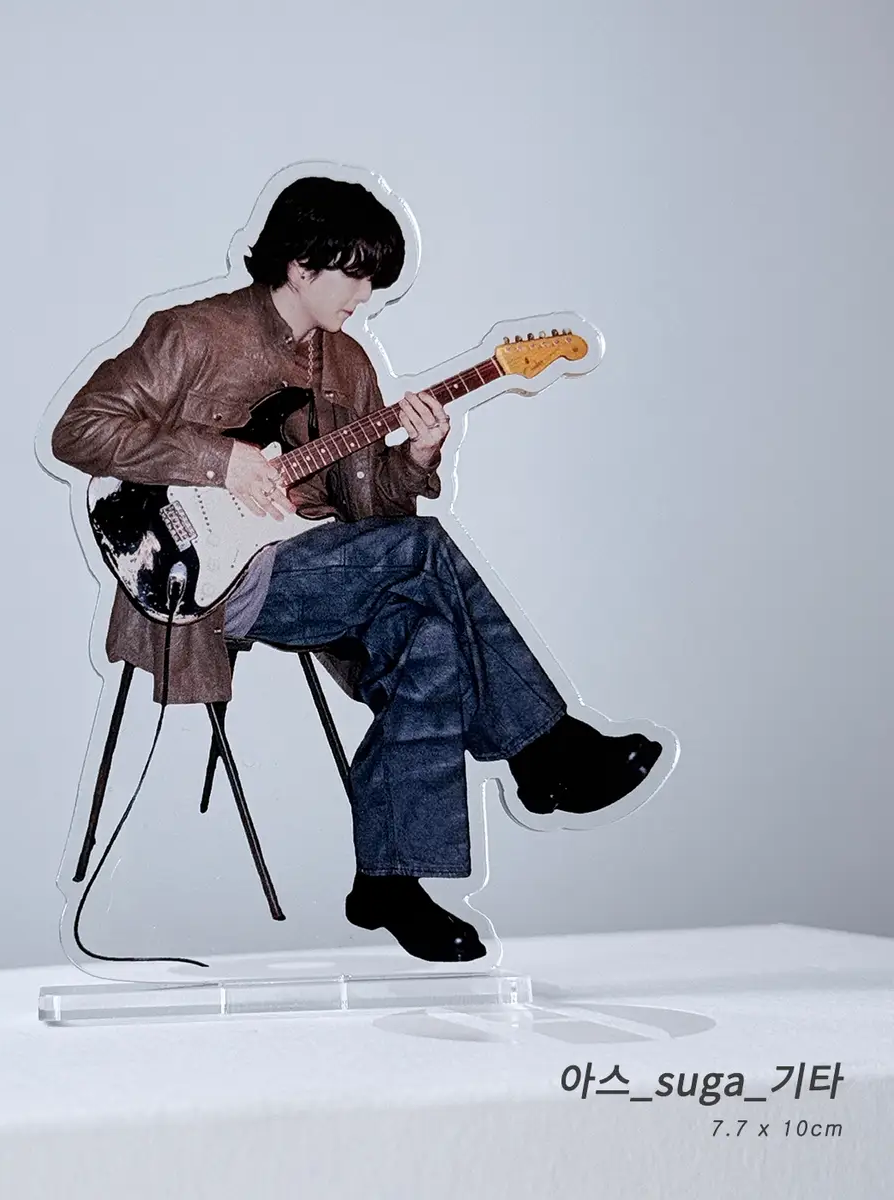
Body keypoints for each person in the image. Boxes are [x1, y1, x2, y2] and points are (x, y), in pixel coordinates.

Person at [50, 176, 661, 963]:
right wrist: (219, 460)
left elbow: (371, 515)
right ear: (301, 264)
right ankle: (544, 750)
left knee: (432, 637)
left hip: (322, 571)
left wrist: (418, 457)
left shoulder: (349, 363)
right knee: (425, 549)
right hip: (201, 579)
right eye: (356, 274)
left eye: (375, 278)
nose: (367, 294)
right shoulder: (192, 334)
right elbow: (79, 430)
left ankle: (389, 882)